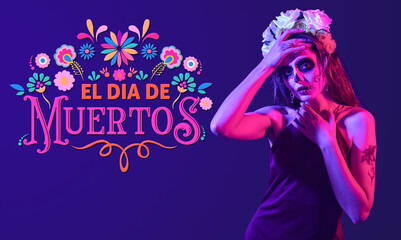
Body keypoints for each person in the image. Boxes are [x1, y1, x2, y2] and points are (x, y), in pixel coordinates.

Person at [210, 9, 377, 240]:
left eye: (305, 65)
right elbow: (221, 126)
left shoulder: (356, 121)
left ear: (325, 62)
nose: (296, 78)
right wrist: (266, 65)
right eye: (287, 71)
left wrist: (327, 141)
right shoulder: (279, 119)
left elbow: (359, 212)